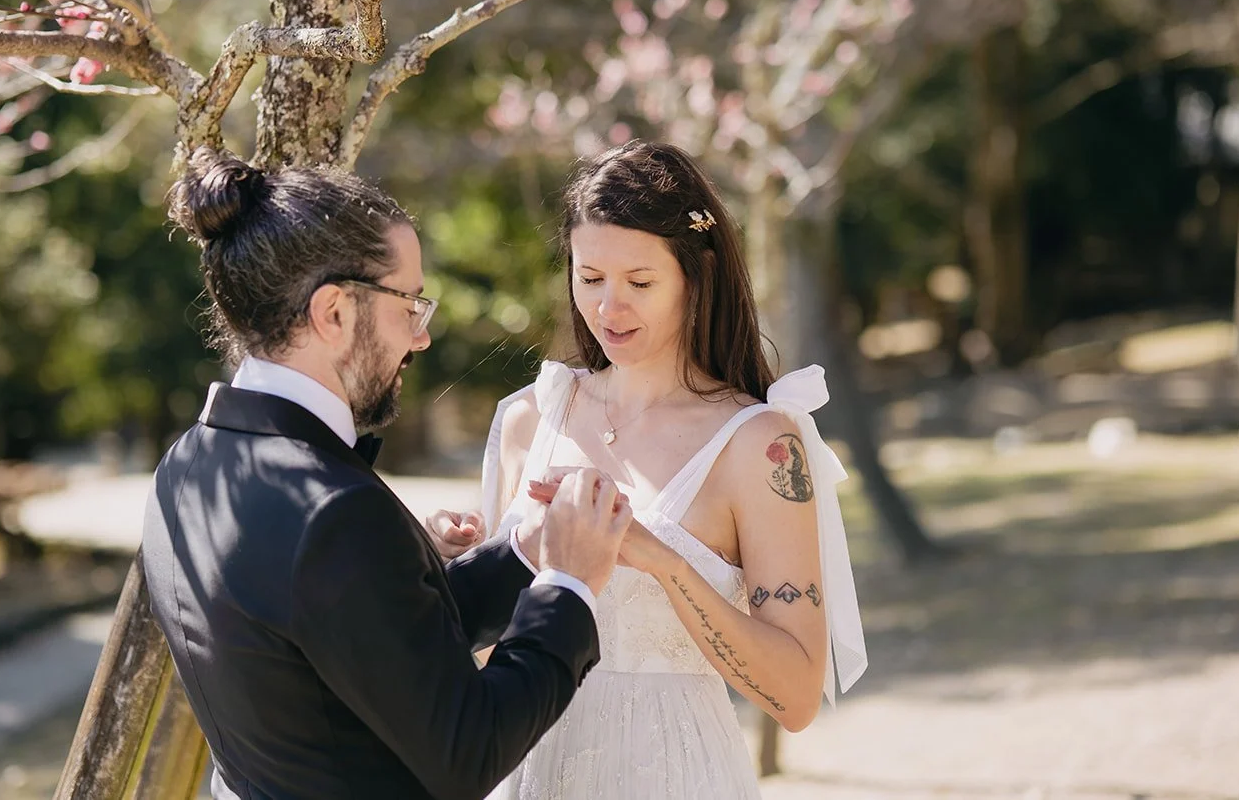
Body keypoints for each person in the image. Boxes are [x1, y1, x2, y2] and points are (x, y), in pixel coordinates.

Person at [141, 147, 633, 800]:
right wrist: (569, 584)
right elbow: (468, 749)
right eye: (410, 306)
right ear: (335, 313)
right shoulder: (332, 511)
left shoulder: (186, 465)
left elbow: (376, 643)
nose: (422, 337)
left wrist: (523, 550)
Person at [427, 141, 867, 799]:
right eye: (590, 276)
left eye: (639, 282)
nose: (608, 308)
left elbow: (797, 696)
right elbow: (484, 661)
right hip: (530, 769)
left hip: (678, 774)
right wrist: (449, 572)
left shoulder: (761, 444)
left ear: (697, 273)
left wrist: (661, 560)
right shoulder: (531, 417)